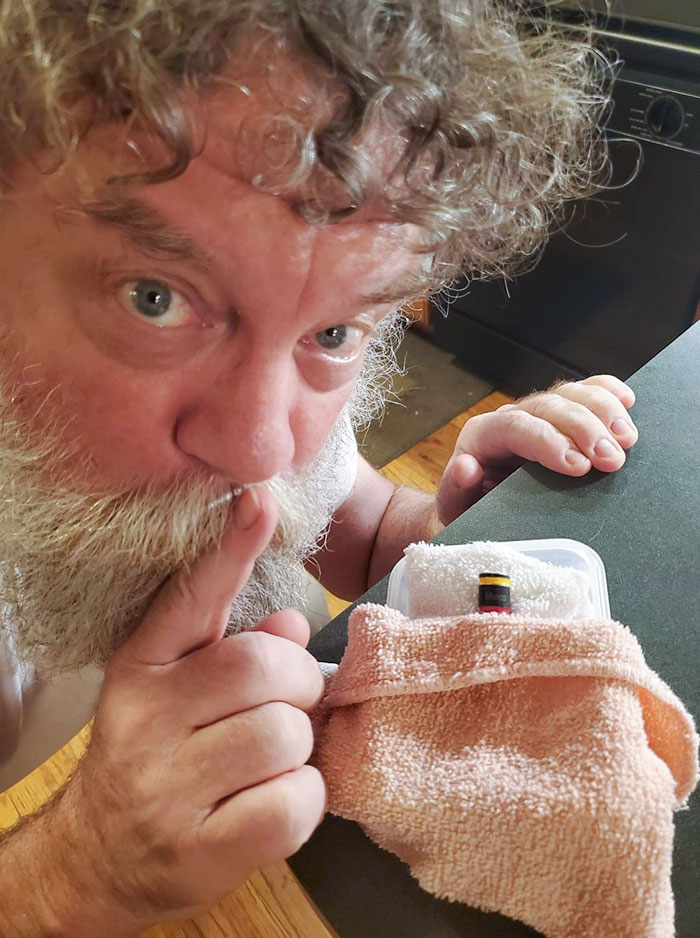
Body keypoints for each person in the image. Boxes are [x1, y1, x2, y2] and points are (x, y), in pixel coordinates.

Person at [0, 1, 639, 934]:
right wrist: (75, 869)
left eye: (333, 331)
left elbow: (355, 522)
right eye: (154, 298)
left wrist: (447, 532)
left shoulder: (275, 426)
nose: (262, 449)